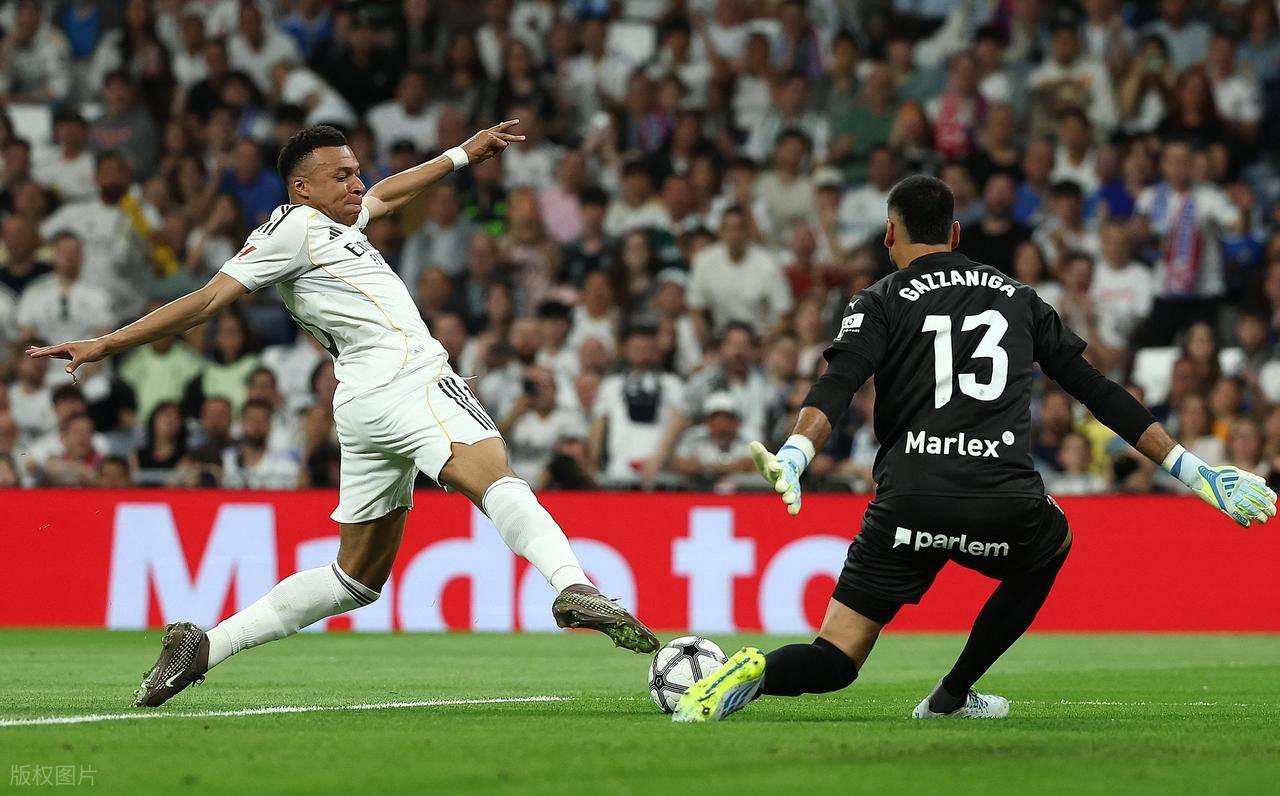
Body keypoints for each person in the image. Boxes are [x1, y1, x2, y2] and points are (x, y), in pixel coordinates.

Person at [27, 121, 658, 709]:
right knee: (497, 479)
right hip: (409, 378)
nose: (357, 184)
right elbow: (208, 300)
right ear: (302, 188)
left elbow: (387, 194)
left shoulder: (336, 226)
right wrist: (106, 344)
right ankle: (573, 586)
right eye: (342, 175)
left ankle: (206, 646)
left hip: (361, 403)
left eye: (356, 171)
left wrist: (463, 155)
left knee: (354, 579)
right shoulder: (292, 230)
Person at [673, 176, 1276, 723]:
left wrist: (797, 452)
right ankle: (952, 694)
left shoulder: (879, 299)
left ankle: (757, 672)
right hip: (1002, 499)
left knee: (835, 657)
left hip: (908, 501)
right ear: (956, 234)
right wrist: (1194, 470)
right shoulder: (1018, 297)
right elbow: (1097, 390)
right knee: (1052, 544)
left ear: (890, 233)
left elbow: (839, 382)